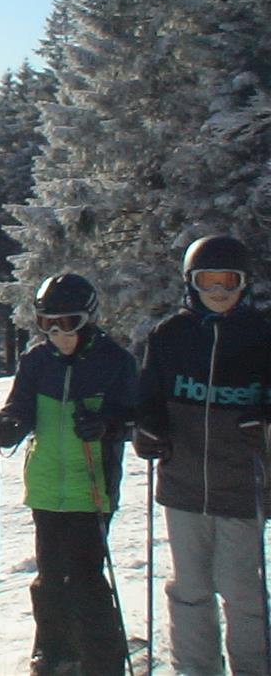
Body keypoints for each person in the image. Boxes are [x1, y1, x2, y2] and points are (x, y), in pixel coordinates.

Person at [0, 273, 136, 676]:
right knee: (50, 579)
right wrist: (7, 427)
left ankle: (102, 661)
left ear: (89, 319)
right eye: (47, 323)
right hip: (46, 487)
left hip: (91, 488)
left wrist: (105, 424)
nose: (58, 334)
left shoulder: (114, 362)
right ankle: (55, 652)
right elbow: (20, 407)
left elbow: (131, 417)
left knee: (84, 580)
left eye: (68, 323)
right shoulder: (36, 362)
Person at [134, 235, 270, 676]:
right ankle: (195, 668)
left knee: (241, 589)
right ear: (190, 282)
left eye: (228, 281)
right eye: (207, 281)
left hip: (241, 484)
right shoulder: (170, 336)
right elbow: (148, 398)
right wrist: (147, 431)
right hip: (184, 482)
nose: (218, 291)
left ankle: (253, 667)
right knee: (189, 588)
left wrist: (264, 421)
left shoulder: (262, 336)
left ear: (244, 284)